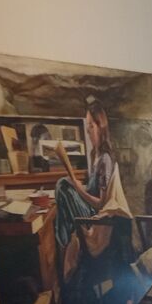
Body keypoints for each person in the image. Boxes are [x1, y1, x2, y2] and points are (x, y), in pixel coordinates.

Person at [54, 96, 117, 279]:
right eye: (87, 126)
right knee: (64, 184)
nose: (88, 131)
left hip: (96, 217)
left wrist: (77, 186)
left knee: (63, 186)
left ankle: (66, 244)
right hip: (89, 209)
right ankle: (67, 241)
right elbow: (92, 190)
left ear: (101, 126)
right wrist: (79, 186)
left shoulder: (105, 159)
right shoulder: (94, 155)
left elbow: (101, 204)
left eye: (91, 126)